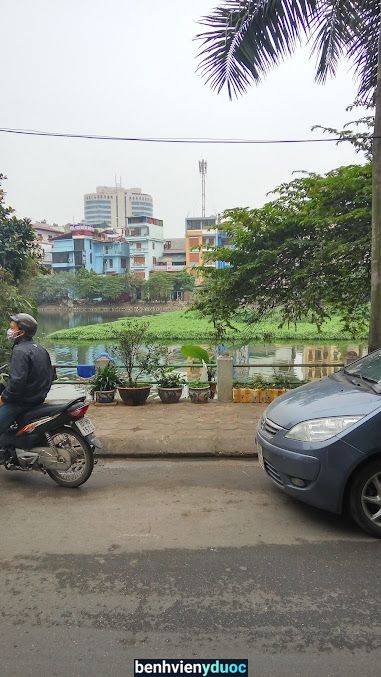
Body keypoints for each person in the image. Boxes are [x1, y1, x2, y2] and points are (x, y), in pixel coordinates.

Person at [0, 313, 53, 462]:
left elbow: (17, 383)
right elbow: (50, 375)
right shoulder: (41, 349)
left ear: (21, 331)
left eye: (12, 328)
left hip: (20, 403)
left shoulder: (20, 351)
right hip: (37, 399)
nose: (9, 331)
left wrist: (4, 398)